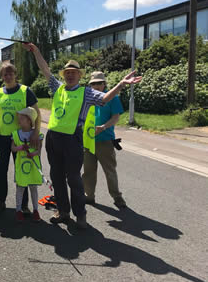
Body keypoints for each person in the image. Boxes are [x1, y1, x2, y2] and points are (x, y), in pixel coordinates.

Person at [24, 43, 142, 228]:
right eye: (67, 72)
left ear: (80, 75)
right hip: (54, 138)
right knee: (57, 177)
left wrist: (120, 84)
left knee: (73, 178)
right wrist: (35, 51)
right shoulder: (58, 88)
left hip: (72, 139)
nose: (70, 75)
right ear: (64, 76)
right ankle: (63, 211)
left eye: (74, 72)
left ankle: (80, 215)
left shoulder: (86, 92)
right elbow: (45, 69)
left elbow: (104, 99)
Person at [0, 62, 41, 213]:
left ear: (15, 74)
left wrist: (35, 133)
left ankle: (23, 205)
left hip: (21, 138)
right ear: (1, 76)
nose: (8, 76)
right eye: (5, 74)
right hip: (2, 138)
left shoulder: (25, 91)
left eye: (11, 73)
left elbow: (37, 114)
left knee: (22, 171)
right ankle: (0, 200)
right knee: (1, 171)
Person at [82, 71, 127, 208]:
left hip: (105, 140)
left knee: (110, 171)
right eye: (93, 84)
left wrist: (104, 126)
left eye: (99, 83)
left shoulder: (112, 97)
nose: (96, 86)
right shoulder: (88, 97)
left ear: (104, 83)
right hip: (88, 141)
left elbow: (116, 117)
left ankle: (117, 197)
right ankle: (89, 196)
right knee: (88, 171)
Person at [11, 107, 43, 223]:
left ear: (30, 120)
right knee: (20, 188)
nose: (18, 120)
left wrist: (33, 153)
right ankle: (18, 210)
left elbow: (39, 150)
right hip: (21, 165)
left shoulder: (37, 135)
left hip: (33, 166)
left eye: (22, 118)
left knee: (33, 188)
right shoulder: (15, 134)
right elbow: (13, 148)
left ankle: (35, 210)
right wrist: (20, 148)